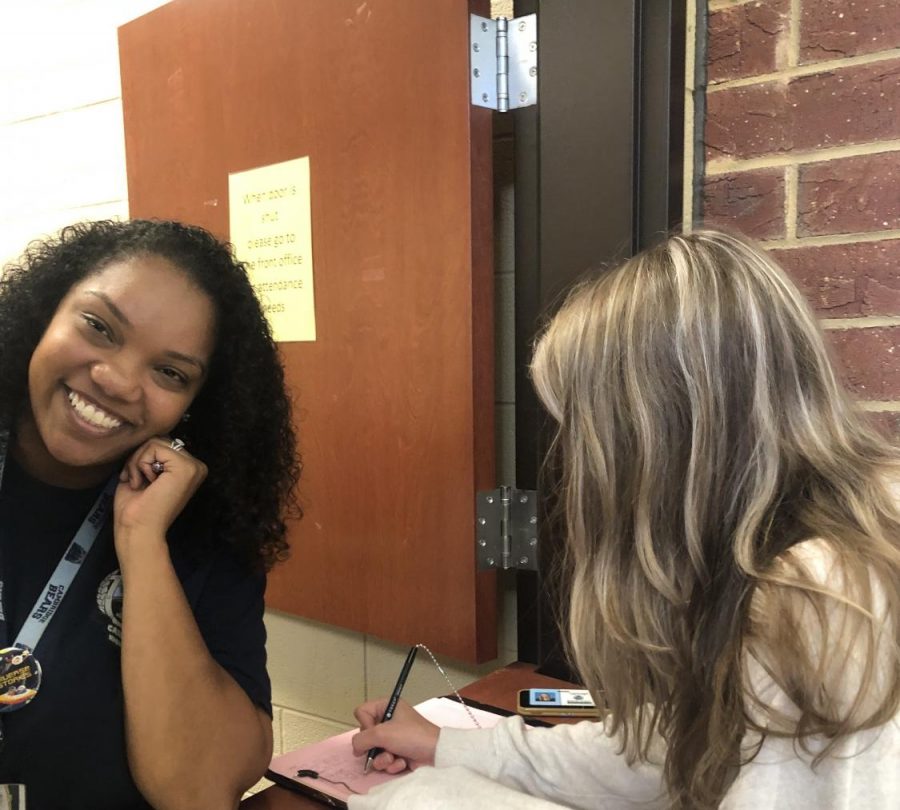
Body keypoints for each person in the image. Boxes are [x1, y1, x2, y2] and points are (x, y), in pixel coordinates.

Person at [349, 230, 900, 809]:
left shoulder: (818, 601)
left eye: (583, 429)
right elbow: (673, 749)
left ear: (653, 442)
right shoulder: (823, 542)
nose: (577, 462)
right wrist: (450, 749)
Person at [0, 220, 300, 809]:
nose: (115, 380)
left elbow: (198, 789)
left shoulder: (203, 526)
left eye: (170, 373)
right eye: (98, 326)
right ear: (43, 315)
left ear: (194, 406)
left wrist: (141, 541)